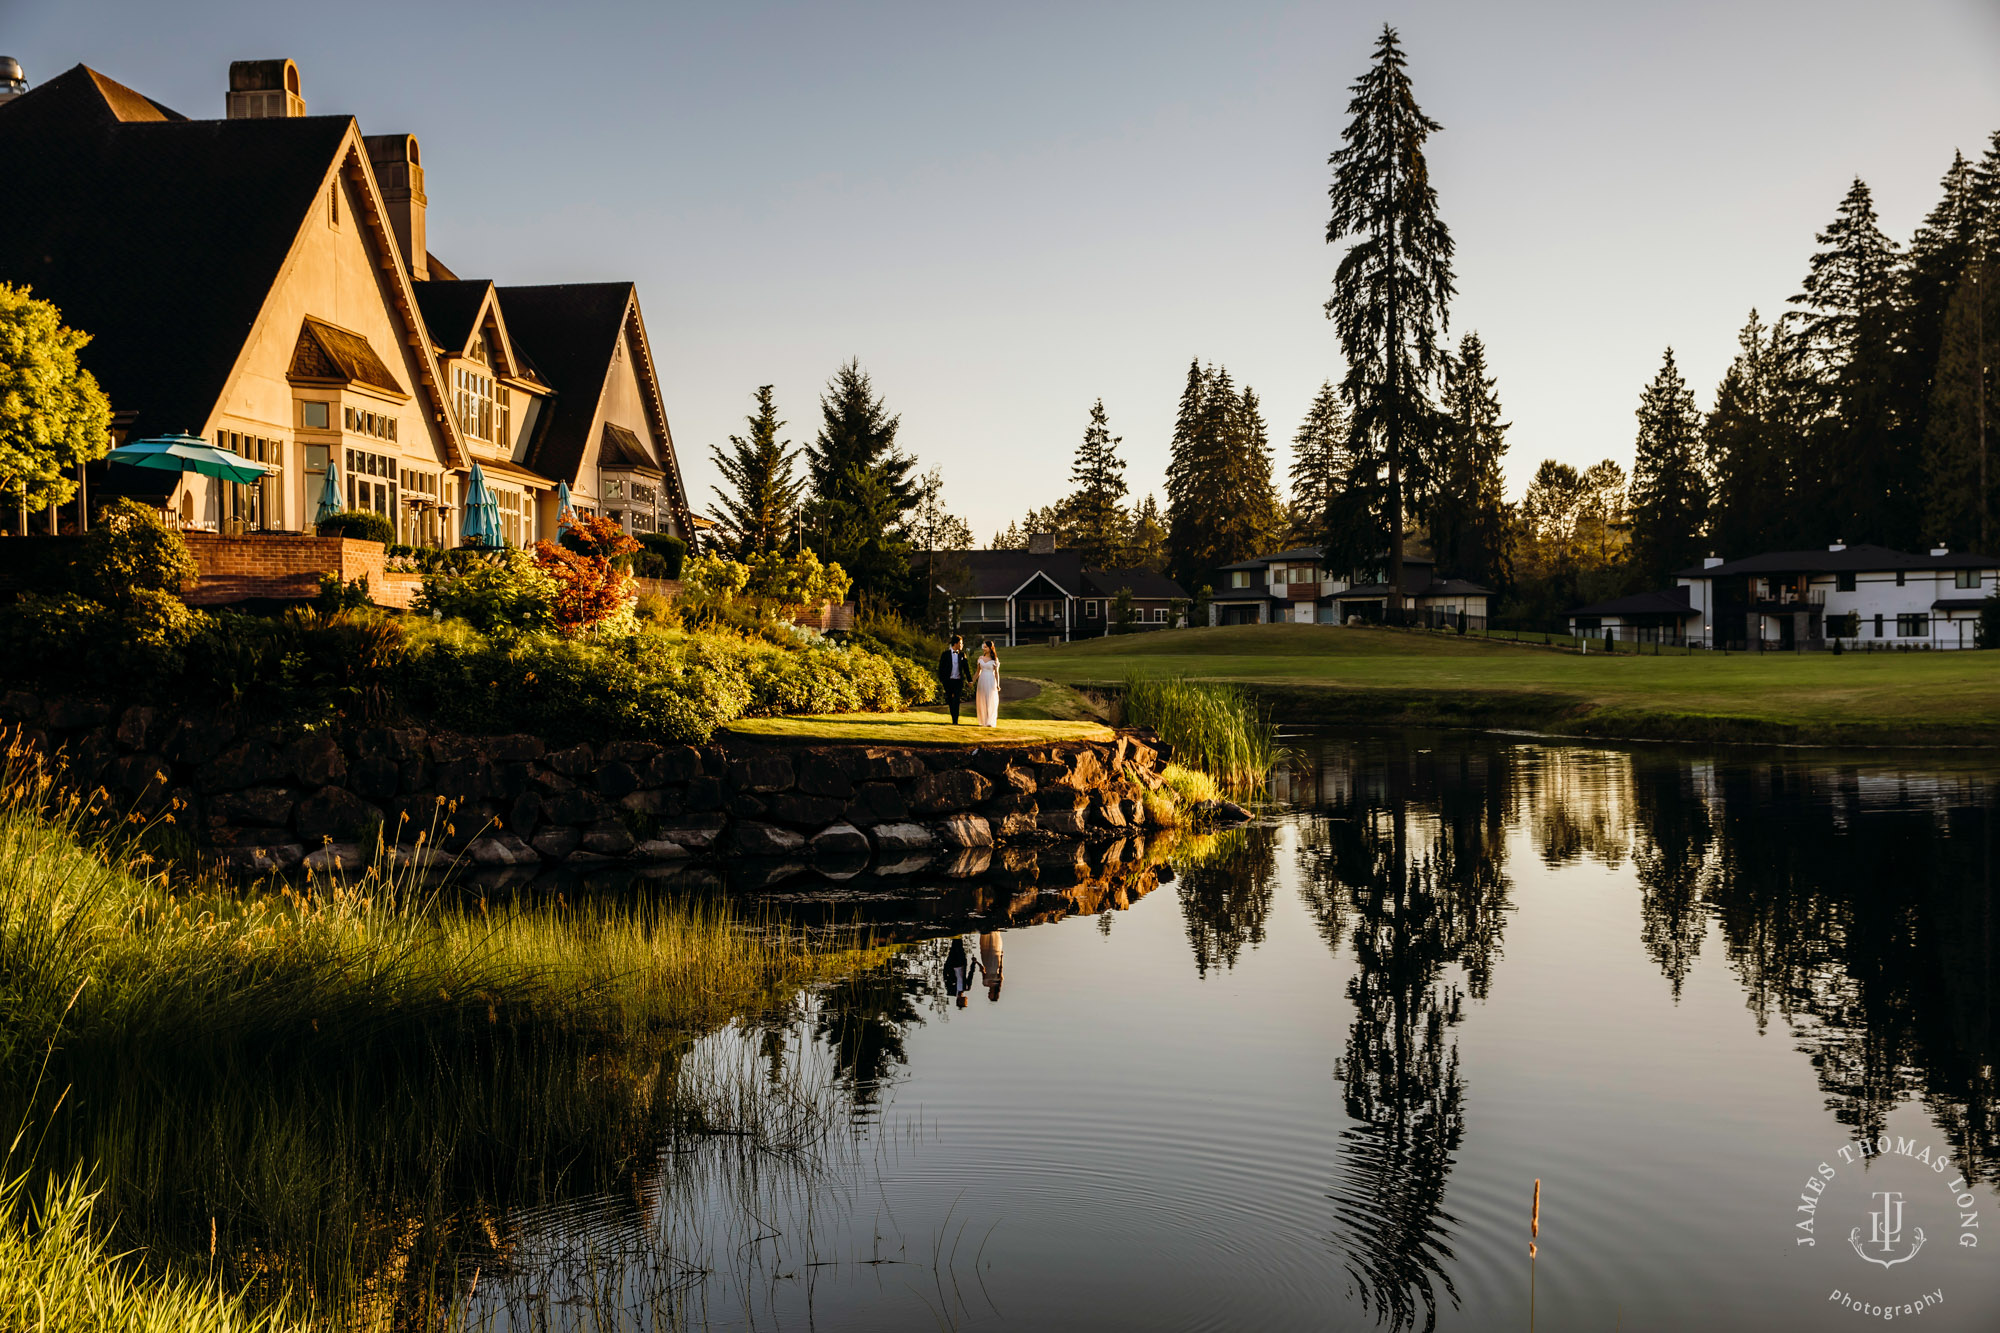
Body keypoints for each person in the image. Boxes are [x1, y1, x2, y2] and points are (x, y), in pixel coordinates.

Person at [937, 634, 969, 725]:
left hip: (958, 681)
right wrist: (942, 680)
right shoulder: (945, 654)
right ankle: (953, 717)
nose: (962, 645)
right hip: (948, 681)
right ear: (955, 644)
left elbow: (966, 669)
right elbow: (941, 668)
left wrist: (969, 680)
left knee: (956, 700)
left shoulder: (962, 655)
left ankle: (956, 720)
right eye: (961, 643)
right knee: (950, 701)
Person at [974, 640, 1001, 728]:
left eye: (986, 647)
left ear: (990, 648)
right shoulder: (980, 658)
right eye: (983, 647)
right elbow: (977, 672)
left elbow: (996, 673)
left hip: (991, 680)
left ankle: (990, 721)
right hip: (982, 680)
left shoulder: (994, 660)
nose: (984, 648)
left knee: (990, 699)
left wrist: (997, 684)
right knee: (982, 699)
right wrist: (972, 681)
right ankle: (983, 720)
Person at [943, 936, 973, 1008]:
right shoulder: (966, 987)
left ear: (959, 1001)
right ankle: (959, 935)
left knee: (953, 948)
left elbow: (945, 977)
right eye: (965, 1002)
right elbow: (970, 975)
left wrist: (946, 965)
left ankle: (955, 935)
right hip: (961, 963)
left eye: (964, 1002)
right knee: (960, 946)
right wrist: (973, 964)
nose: (965, 1000)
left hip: (952, 965)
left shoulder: (951, 991)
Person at [978, 930, 1004, 1002]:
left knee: (985, 948)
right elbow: (1001, 968)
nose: (988, 994)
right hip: (995, 964)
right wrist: (1001, 957)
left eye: (989, 996)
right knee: (993, 948)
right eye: (990, 996)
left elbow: (982, 970)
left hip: (986, 963)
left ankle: (988, 932)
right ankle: (993, 932)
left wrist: (976, 962)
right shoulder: (998, 981)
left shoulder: (985, 983)